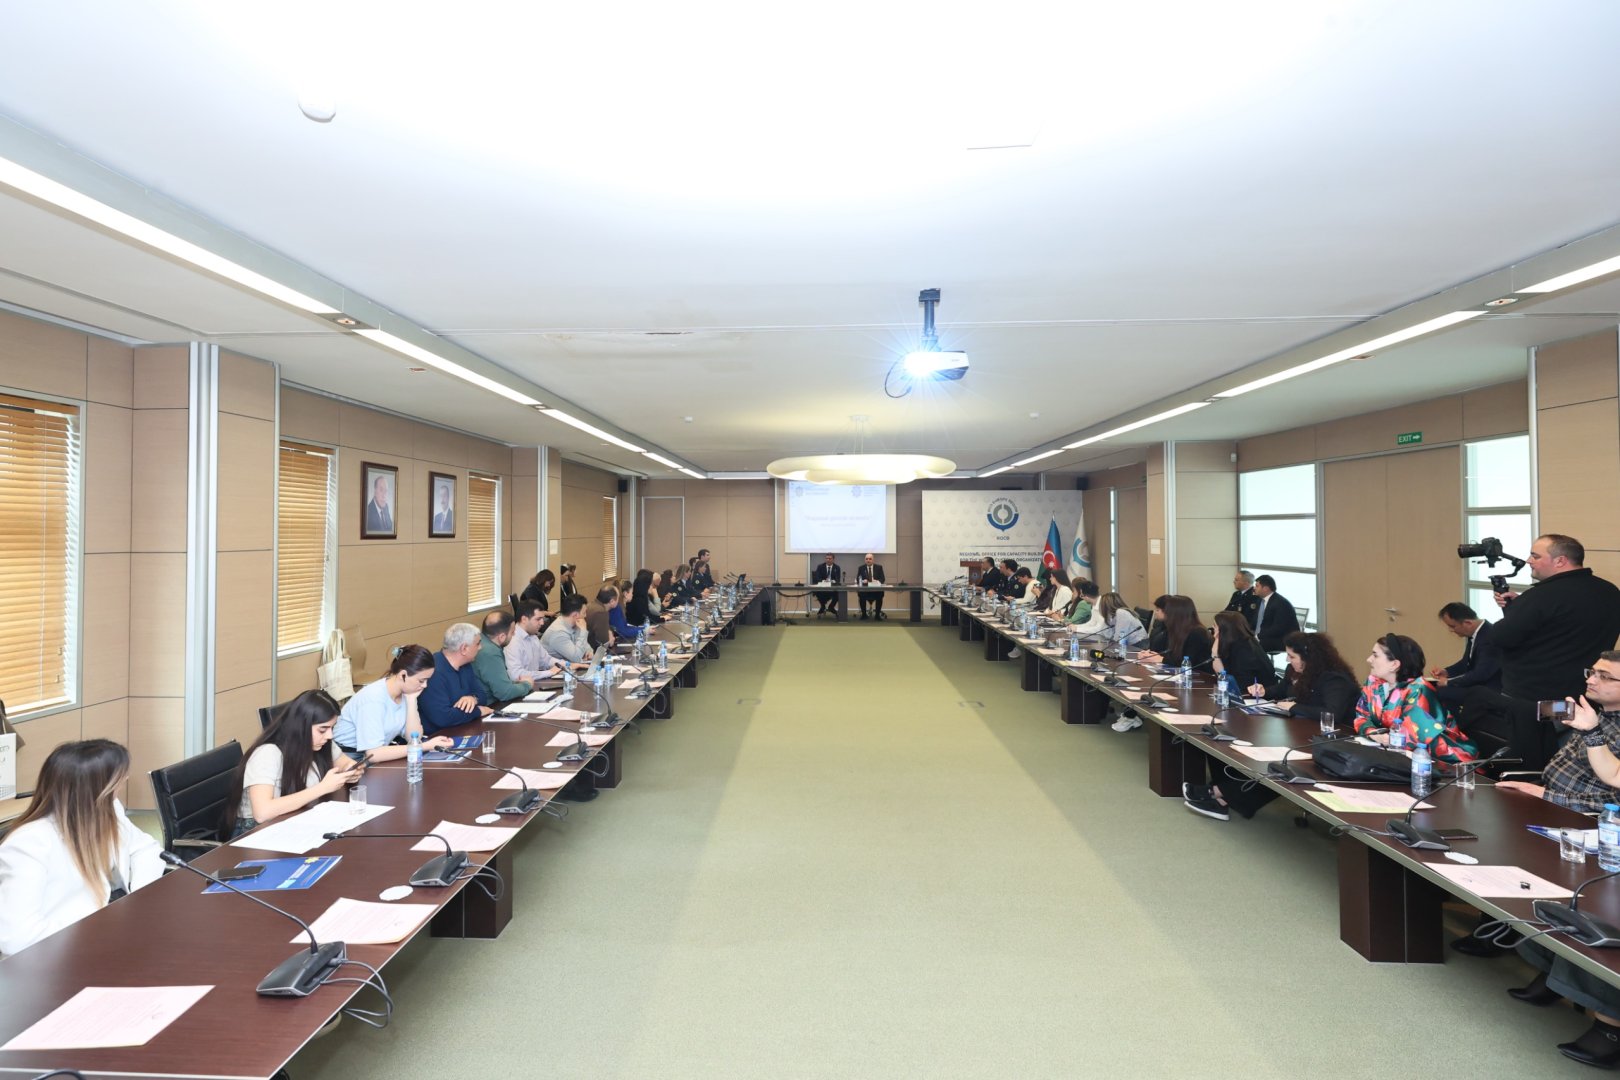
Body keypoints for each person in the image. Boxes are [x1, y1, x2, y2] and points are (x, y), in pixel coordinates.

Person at [1493, 652, 1620, 1066]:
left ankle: (1609, 1024)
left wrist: (1547, 793)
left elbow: (1613, 785)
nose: (1593, 679)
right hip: (1563, 817)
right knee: (1539, 883)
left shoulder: (1600, 724)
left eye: (1606, 676)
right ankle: (1554, 974)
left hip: (1598, 828)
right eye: (1593, 672)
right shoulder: (1596, 715)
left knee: (1593, 910)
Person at [1465, 534, 1620, 770]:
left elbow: (1501, 637)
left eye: (1535, 556)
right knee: (1572, 756)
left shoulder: (1541, 596)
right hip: (1583, 698)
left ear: (1560, 561)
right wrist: (1521, 608)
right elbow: (1562, 628)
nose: (1529, 561)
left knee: (1530, 762)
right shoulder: (1610, 592)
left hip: (1536, 702)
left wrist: (1520, 609)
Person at [0, 739, 163, 957]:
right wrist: (98, 929)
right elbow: (17, 939)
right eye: (119, 781)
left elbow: (146, 849)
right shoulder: (29, 844)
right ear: (98, 789)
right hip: (53, 959)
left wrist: (137, 899)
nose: (122, 785)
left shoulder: (108, 809)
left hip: (103, 940)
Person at [227, 689, 364, 837]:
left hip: (296, 818)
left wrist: (350, 769)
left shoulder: (320, 742)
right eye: (322, 730)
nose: (329, 735)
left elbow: (342, 760)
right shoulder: (267, 753)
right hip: (257, 832)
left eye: (332, 728)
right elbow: (262, 813)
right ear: (301, 726)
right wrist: (322, 788)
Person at [1353, 634, 1475, 764]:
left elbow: (1411, 738)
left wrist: (1381, 737)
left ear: (1394, 664)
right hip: (1392, 753)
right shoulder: (1374, 683)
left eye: (1375, 655)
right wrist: (1373, 733)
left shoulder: (1418, 690)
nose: (1369, 659)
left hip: (1441, 760)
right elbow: (1361, 717)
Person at [334, 644, 452, 756]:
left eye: (427, 680)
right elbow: (374, 753)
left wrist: (411, 701)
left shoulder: (406, 693)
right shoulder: (373, 698)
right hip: (349, 756)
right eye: (421, 681)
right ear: (403, 675)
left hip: (375, 754)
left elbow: (413, 738)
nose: (425, 685)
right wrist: (425, 746)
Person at [1250, 631, 1361, 720]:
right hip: (1304, 725)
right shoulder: (1293, 670)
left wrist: (1294, 707)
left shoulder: (1334, 679)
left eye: (1292, 656)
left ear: (1308, 658)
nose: (1287, 660)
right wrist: (1264, 691)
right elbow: (1282, 689)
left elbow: (1332, 713)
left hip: (1340, 732)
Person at [418, 623, 493, 735]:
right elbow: (443, 718)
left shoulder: (465, 665)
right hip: (436, 736)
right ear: (464, 649)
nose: (480, 647)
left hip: (462, 728)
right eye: (477, 644)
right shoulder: (433, 672)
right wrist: (478, 711)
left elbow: (482, 695)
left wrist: (473, 698)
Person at [1428, 601, 1501, 710]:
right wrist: (1446, 672)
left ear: (1468, 623)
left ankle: (1455, 720)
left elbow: (1481, 674)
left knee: (1441, 692)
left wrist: (1448, 682)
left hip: (1488, 689)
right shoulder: (1477, 633)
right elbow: (1465, 663)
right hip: (1479, 685)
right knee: (1437, 689)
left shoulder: (1488, 638)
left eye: (1453, 626)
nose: (1451, 630)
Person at [473, 611, 540, 702]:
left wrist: (514, 684)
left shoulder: (483, 642)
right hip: (490, 704)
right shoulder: (490, 653)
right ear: (502, 637)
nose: (514, 634)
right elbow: (505, 693)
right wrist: (527, 684)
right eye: (512, 632)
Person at [1210, 611, 1277, 694]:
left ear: (1224, 630)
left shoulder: (1244, 650)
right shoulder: (1240, 642)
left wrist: (1215, 654)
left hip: (1256, 696)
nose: (1212, 628)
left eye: (1215, 626)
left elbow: (1230, 682)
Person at [1138, 595, 1211, 669]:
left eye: (1167, 611)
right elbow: (1164, 651)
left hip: (1198, 674)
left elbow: (1189, 662)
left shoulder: (1198, 633)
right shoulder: (1174, 629)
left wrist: (1162, 659)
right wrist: (1148, 654)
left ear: (1176, 614)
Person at [506, 601, 562, 683]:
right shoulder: (513, 640)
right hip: (522, 688)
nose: (542, 623)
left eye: (542, 618)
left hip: (534, 684)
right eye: (538, 619)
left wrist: (566, 665)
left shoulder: (533, 636)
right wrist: (549, 672)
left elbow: (546, 660)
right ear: (524, 619)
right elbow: (516, 675)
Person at [1251, 574, 1300, 652]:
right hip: (1265, 636)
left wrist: (1258, 636)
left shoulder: (1281, 603)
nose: (1254, 588)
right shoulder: (1260, 600)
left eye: (1257, 586)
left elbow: (1278, 628)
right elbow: (1255, 621)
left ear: (1266, 589)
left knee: (1252, 646)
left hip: (1282, 639)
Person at [542, 594, 592, 664]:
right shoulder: (558, 633)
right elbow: (576, 658)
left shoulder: (574, 624)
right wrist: (583, 631)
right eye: (584, 613)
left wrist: (589, 651)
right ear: (575, 615)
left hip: (569, 666)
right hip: (554, 669)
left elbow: (586, 646)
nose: (585, 615)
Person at [585, 586, 619, 650]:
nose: (618, 601)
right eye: (617, 598)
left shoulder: (591, 605)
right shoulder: (601, 612)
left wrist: (609, 631)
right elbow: (604, 643)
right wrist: (610, 639)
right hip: (591, 651)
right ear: (612, 601)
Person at [856, 553, 887, 620]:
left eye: (870, 559)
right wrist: (863, 581)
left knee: (880, 594)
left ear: (873, 560)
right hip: (865, 591)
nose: (868, 560)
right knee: (861, 594)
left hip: (876, 590)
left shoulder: (879, 567)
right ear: (865, 560)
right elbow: (858, 580)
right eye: (866, 559)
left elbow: (882, 579)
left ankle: (877, 615)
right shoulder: (861, 568)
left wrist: (876, 581)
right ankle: (864, 615)